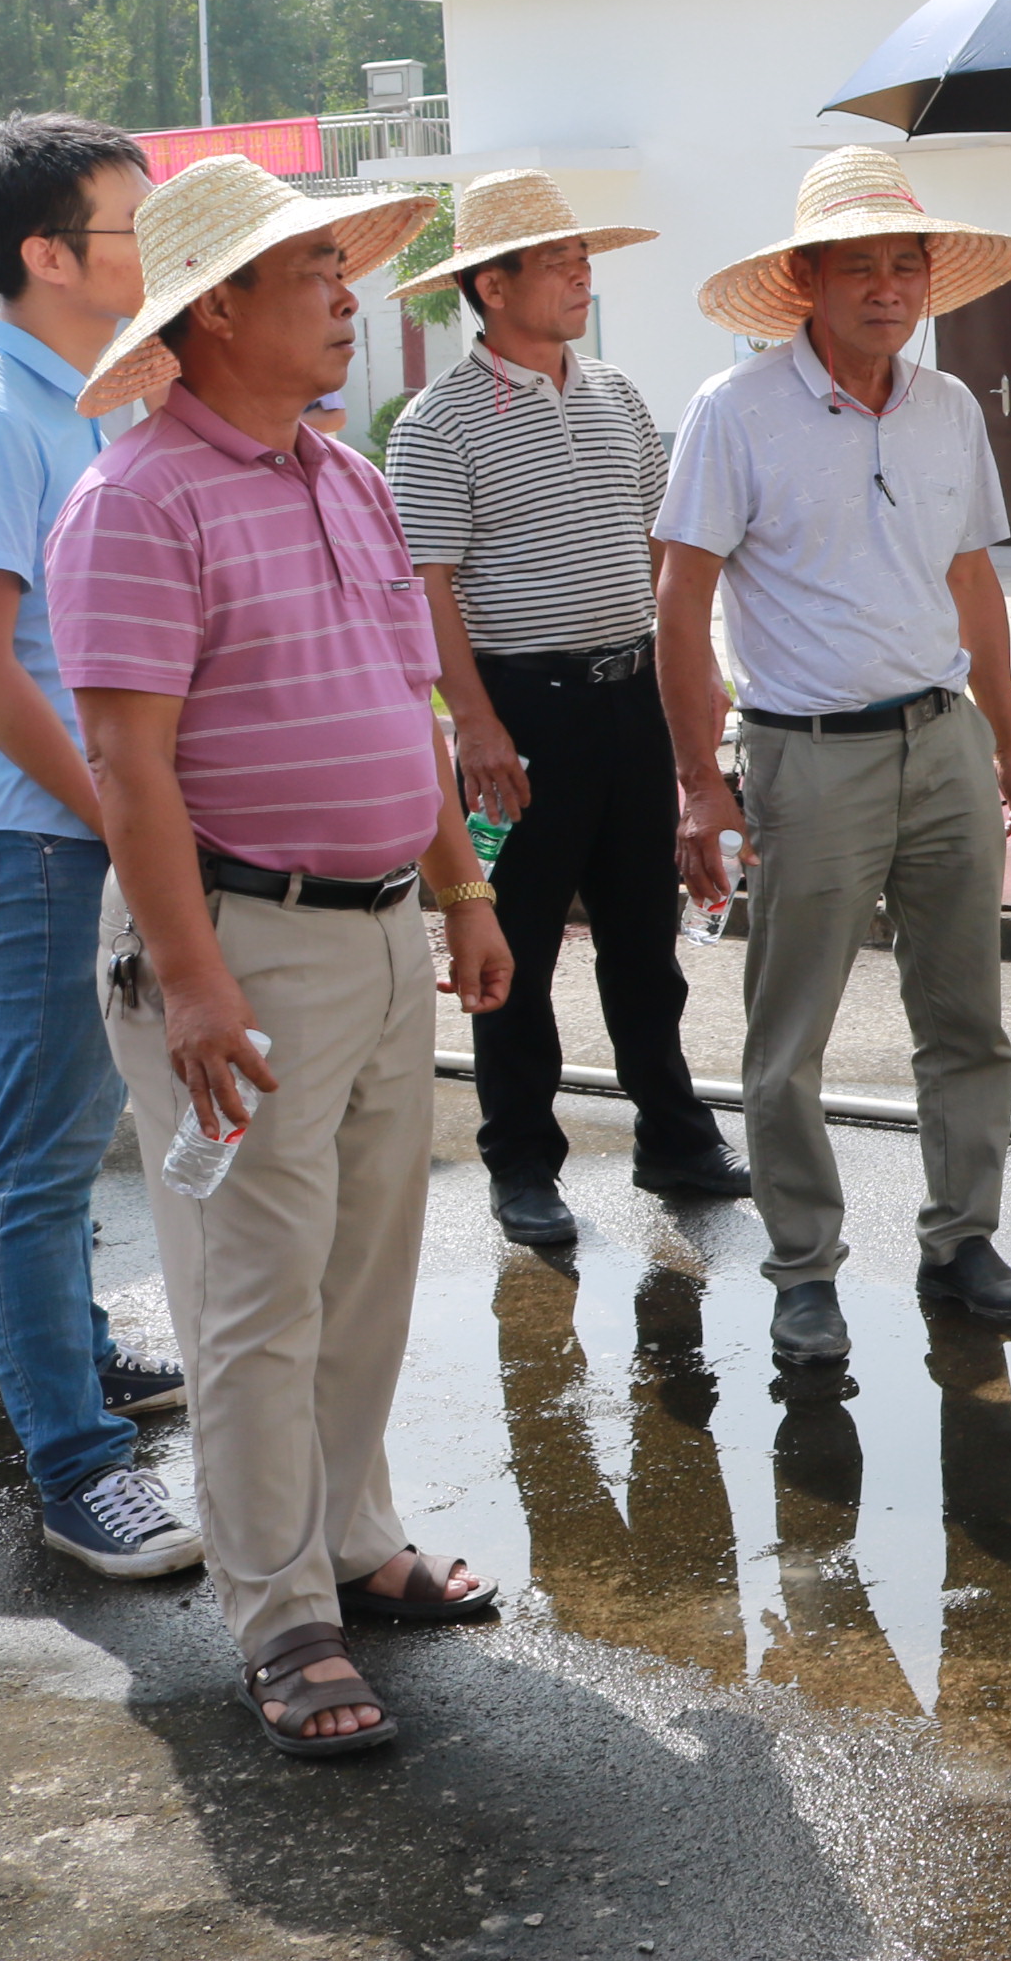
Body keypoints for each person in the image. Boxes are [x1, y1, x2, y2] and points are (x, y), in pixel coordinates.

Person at [54, 156, 514, 1756]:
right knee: (254, 1291)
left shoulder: (351, 474)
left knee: (368, 1267)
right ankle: (284, 1617)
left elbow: (416, 709)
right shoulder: (134, 499)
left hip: (384, 931)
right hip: (243, 945)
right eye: (306, 268)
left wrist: (462, 888)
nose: (342, 292)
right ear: (215, 309)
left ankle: (354, 1533)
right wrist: (191, 980)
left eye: (339, 261)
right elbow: (128, 766)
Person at [657, 149, 1011, 1357]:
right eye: (858, 266)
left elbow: (970, 581)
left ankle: (964, 1238)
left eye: (905, 264)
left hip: (943, 741)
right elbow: (680, 603)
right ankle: (803, 1268)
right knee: (791, 1035)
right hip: (807, 754)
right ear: (805, 281)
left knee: (967, 1015)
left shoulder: (947, 409)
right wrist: (700, 784)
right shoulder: (735, 414)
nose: (887, 288)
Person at [0, 112, 202, 1579]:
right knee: (38, 1157)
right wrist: (121, 817)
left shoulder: (90, 396)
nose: (153, 252)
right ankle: (78, 1468)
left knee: (78, 1141)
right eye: (132, 225)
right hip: (35, 840)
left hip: (88, 822)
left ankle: (78, 1352)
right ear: (44, 253)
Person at [378, 171, 750, 1246]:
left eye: (582, 256)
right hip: (522, 716)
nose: (582, 273)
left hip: (627, 697)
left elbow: (659, 553)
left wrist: (688, 713)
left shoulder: (619, 397)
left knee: (645, 939)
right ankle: (522, 1163)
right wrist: (478, 722)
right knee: (515, 948)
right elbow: (427, 585)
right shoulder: (436, 421)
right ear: (490, 286)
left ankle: (674, 1133)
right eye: (556, 260)